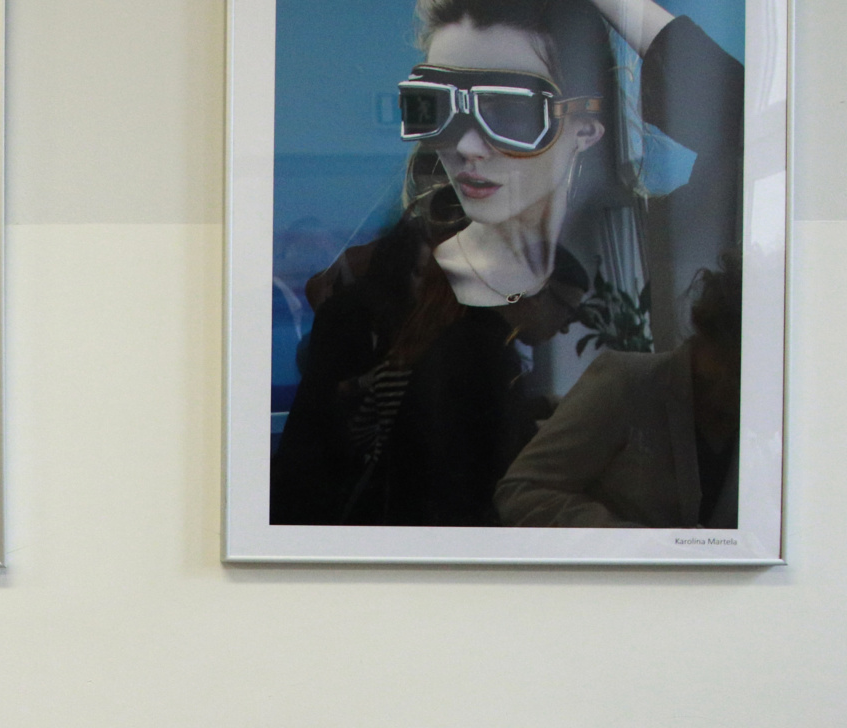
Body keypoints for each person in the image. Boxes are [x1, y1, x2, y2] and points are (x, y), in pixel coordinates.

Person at [271, 0, 741, 529]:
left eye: (512, 111)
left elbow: (741, 123)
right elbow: (305, 494)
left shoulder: (621, 258)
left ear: (585, 127)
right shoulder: (380, 295)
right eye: (436, 105)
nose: (466, 145)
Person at [495, 260, 740, 527]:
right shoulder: (626, 381)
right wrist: (638, 542)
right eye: (568, 311)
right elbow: (520, 491)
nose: (565, 328)